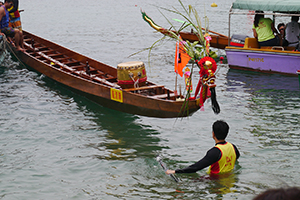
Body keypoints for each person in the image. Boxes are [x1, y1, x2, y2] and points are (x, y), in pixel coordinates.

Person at [166, 120, 240, 175]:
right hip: (229, 180)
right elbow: (236, 158)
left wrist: (175, 171)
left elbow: (196, 167)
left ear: (213, 134)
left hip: (215, 181)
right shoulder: (233, 147)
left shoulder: (215, 152)